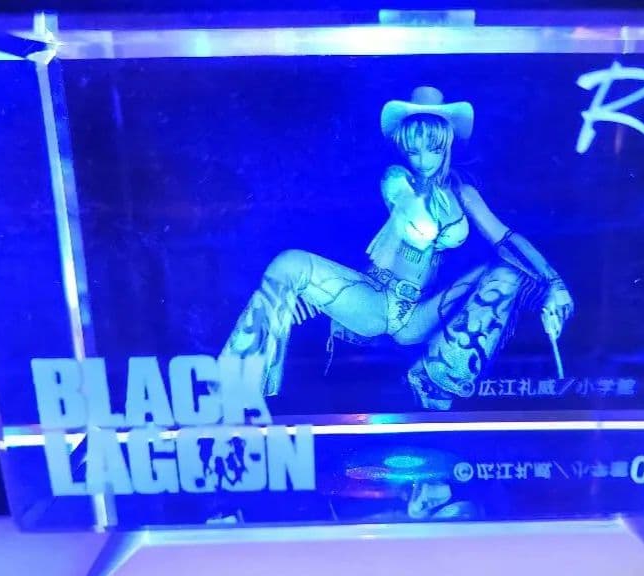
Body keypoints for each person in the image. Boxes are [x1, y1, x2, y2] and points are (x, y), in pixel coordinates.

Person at [221, 86, 573, 410]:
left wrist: (553, 285)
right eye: (413, 149)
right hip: (376, 299)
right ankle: (233, 388)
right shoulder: (397, 178)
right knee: (289, 264)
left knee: (506, 273)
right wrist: (410, 205)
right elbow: (412, 217)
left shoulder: (463, 193)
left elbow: (505, 238)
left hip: (418, 313)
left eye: (433, 148)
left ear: (447, 144)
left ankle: (436, 379)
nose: (423, 159)